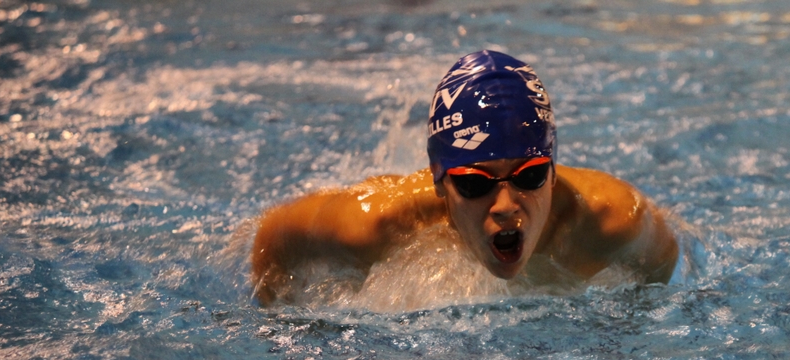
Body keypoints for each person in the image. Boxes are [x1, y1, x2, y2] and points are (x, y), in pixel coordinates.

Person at [251, 50, 679, 306]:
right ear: (439, 181)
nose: (506, 205)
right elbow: (274, 234)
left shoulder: (613, 219)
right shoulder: (373, 224)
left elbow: (664, 269)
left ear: (552, 172)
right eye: (475, 183)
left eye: (529, 176)